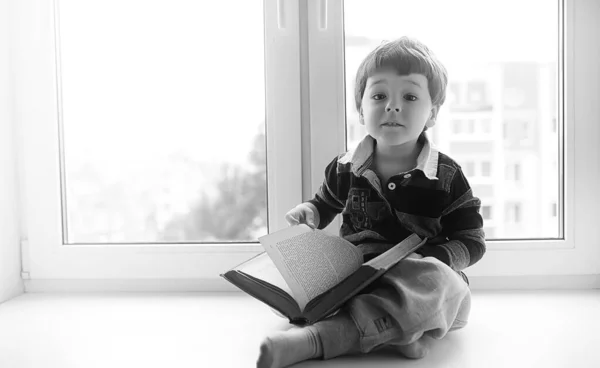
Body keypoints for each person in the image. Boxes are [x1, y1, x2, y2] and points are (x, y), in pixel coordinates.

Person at [257, 36, 486, 368]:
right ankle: (401, 333)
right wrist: (309, 213)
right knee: (309, 279)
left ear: (432, 113)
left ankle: (316, 340)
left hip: (420, 280)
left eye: (409, 96)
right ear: (361, 109)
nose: (393, 106)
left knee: (443, 285)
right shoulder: (345, 167)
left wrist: (432, 258)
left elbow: (472, 242)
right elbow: (323, 206)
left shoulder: (447, 176)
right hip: (358, 277)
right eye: (379, 96)